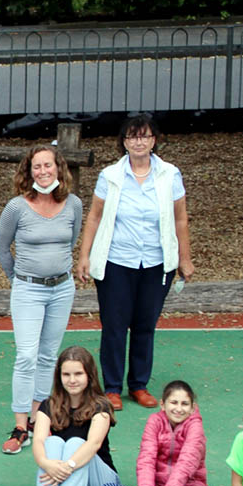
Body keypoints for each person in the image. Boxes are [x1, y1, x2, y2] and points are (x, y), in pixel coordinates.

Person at [76, 113, 194, 412]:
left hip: (157, 263)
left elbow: (180, 218)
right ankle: (113, 388)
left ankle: (139, 385)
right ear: (123, 142)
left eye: (144, 136)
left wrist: (185, 258)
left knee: (145, 325)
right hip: (117, 261)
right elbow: (95, 216)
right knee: (114, 326)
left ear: (154, 139)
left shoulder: (169, 174)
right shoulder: (110, 176)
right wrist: (84, 255)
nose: (138, 141)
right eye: (132, 136)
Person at [0, 145, 82, 453]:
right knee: (27, 356)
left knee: (48, 356)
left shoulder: (73, 204)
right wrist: (17, 279)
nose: (43, 172)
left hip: (62, 289)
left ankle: (38, 417)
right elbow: (2, 248)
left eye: (48, 166)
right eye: (37, 167)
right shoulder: (16, 207)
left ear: (59, 168)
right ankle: (20, 425)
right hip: (28, 290)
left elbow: (71, 242)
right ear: (28, 171)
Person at [97, 380, 222, 486]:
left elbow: (185, 466)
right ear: (163, 405)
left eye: (184, 404)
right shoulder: (155, 422)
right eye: (174, 402)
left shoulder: (195, 427)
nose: (178, 408)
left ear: (192, 408)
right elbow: (146, 460)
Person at [28, 345, 119, 486]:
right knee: (51, 442)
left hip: (99, 485)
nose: (72, 380)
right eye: (66, 374)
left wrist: (68, 466)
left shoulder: (101, 405)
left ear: (89, 376)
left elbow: (93, 444)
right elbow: (38, 441)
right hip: (63, 480)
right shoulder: (48, 405)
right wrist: (46, 464)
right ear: (59, 377)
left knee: (77, 442)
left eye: (78, 374)